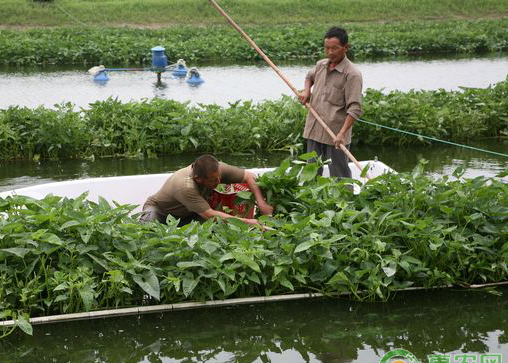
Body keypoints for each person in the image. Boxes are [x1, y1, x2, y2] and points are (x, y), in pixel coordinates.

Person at [297, 27, 363, 178]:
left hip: (335, 133)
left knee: (339, 173)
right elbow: (309, 76)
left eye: (335, 48)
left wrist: (341, 134)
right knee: (311, 171)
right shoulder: (321, 65)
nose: (330, 52)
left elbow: (355, 108)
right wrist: (306, 91)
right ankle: (311, 200)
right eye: (327, 48)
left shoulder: (352, 74)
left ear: (345, 48)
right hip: (314, 128)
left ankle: (345, 200)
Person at [140, 154, 273, 226]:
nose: (219, 182)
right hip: (160, 211)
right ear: (198, 179)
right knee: (147, 231)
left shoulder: (216, 169)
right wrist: (248, 222)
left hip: (187, 214)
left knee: (216, 229)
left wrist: (261, 202)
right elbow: (209, 214)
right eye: (213, 181)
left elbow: (249, 176)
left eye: (219, 177)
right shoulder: (185, 186)